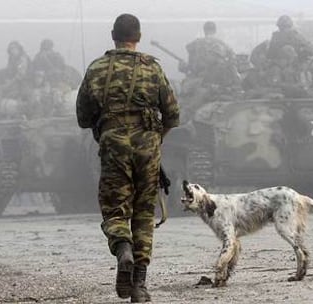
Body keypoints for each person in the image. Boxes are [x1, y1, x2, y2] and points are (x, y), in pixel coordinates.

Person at [76, 14, 179, 303]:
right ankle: (140, 286)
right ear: (139, 36)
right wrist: (155, 139)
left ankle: (123, 250)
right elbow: (173, 114)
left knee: (115, 209)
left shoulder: (97, 68)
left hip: (113, 146)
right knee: (145, 213)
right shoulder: (152, 68)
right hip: (148, 145)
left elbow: (84, 118)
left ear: (113, 35)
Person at [179, 21, 239, 86]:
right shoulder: (223, 45)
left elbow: (190, 65)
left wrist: (183, 65)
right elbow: (233, 61)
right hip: (219, 82)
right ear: (215, 31)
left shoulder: (195, 44)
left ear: (204, 31)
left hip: (199, 82)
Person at [267, 15, 313, 87]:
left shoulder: (277, 36)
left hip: (294, 63)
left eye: (285, 27)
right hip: (285, 64)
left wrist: (302, 52)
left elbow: (311, 50)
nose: (285, 29)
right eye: (283, 27)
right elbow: (270, 54)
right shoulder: (295, 36)